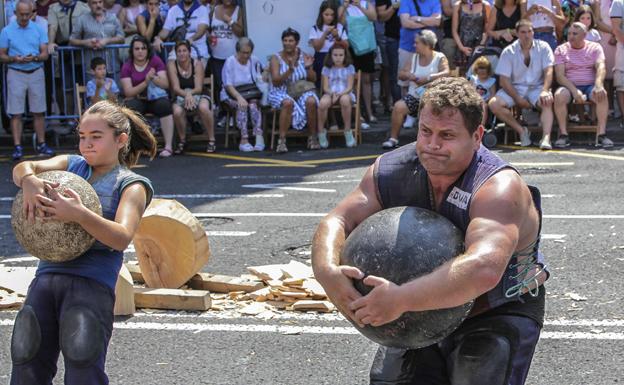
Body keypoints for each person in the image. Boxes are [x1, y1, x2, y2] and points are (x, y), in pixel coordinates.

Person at [311, 76, 547, 385]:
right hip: (418, 308)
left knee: (476, 375)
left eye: (447, 135)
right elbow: (338, 221)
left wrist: (400, 299)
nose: (433, 145)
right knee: (390, 380)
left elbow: (484, 268)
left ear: (477, 137)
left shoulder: (499, 187)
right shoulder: (391, 169)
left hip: (496, 306)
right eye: (426, 131)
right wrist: (326, 271)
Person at [9, 100, 156, 385]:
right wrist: (27, 179)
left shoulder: (131, 184)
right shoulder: (71, 165)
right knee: (26, 359)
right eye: (82, 136)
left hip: (90, 283)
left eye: (96, 137)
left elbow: (121, 236)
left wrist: (78, 214)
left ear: (121, 139)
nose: (86, 144)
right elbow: (24, 166)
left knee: (82, 366)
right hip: (47, 277)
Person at [0, 0, 54, 161]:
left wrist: (35, 57)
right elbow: (1, 55)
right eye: (21, 14)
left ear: (31, 13)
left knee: (39, 111)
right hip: (15, 72)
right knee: (15, 112)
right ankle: (17, 146)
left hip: (36, 71)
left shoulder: (38, 29)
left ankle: (42, 143)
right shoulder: (7, 31)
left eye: (27, 14)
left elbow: (45, 54)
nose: (24, 17)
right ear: (15, 13)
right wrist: (13, 58)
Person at [488, 20, 555, 149]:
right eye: (523, 32)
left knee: (547, 100)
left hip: (537, 86)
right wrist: (517, 99)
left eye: (530, 31)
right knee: (494, 104)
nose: (527, 35)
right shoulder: (508, 51)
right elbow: (504, 81)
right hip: (515, 87)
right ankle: (521, 131)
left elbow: (549, 71)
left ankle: (546, 138)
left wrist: (545, 90)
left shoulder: (544, 47)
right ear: (517, 34)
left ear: (533, 32)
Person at [382, 30, 449, 149]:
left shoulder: (439, 57)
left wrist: (428, 78)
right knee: (398, 107)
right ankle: (393, 138)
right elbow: (401, 74)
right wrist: (409, 75)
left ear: (426, 44)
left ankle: (433, 141)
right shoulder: (413, 57)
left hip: (433, 98)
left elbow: (446, 73)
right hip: (415, 96)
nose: (414, 45)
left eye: (417, 43)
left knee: (433, 109)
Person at [553, 22, 612, 147]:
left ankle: (602, 134)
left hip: (590, 85)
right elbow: (560, 76)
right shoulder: (561, 49)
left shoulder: (595, 47)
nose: (571, 36)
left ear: (584, 35)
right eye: (569, 33)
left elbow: (601, 67)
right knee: (559, 96)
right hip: (569, 86)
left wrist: (598, 85)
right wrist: (574, 91)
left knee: (602, 94)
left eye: (575, 34)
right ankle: (564, 135)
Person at [120, 35, 175, 157]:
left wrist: (153, 78)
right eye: (137, 49)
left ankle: (169, 146)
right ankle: (134, 148)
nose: (140, 51)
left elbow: (165, 84)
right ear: (132, 51)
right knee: (130, 108)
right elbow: (128, 92)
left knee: (165, 105)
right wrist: (145, 82)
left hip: (155, 98)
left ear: (148, 50)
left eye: (143, 48)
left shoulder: (155, 61)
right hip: (138, 98)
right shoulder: (127, 66)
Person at [268, 28, 319, 153]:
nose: (287, 43)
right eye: (285, 40)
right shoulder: (276, 58)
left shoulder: (304, 56)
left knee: (311, 101)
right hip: (280, 90)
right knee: (287, 103)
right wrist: (289, 70)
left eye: (291, 41)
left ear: (297, 42)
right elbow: (275, 81)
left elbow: (313, 79)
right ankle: (282, 141)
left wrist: (308, 68)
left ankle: (312, 137)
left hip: (300, 89)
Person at [397, 0, 441, 129]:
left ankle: (422, 115)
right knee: (405, 82)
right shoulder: (406, 2)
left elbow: (437, 21)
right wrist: (427, 22)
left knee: (427, 81)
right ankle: (408, 114)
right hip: (407, 46)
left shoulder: (434, 2)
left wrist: (417, 19)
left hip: (427, 49)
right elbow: (405, 22)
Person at [167, 40, 216, 153]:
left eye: (184, 50)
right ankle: (183, 140)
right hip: (180, 94)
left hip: (198, 92)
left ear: (189, 52)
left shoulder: (197, 64)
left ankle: (211, 139)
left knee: (203, 107)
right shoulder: (172, 65)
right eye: (179, 51)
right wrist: (187, 95)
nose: (182, 53)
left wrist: (189, 94)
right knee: (177, 112)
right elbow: (175, 88)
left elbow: (199, 88)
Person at [221, 37, 265, 152]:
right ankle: (244, 139)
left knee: (253, 106)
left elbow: (262, 73)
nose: (246, 56)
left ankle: (259, 137)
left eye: (248, 53)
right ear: (237, 51)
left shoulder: (254, 60)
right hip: (232, 93)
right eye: (243, 53)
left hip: (250, 93)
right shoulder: (230, 61)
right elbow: (227, 85)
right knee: (242, 106)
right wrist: (239, 97)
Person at [339, 0, 378, 126]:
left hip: (366, 47)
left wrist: (359, 6)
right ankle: (358, 114)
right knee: (354, 82)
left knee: (366, 80)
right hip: (352, 48)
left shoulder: (366, 4)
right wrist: (345, 6)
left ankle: (369, 112)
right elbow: (340, 22)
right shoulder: (343, 6)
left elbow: (373, 17)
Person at [317, 42, 357, 149]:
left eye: (341, 55)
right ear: (331, 56)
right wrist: (332, 93)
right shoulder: (327, 68)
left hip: (345, 93)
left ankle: (347, 131)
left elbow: (349, 86)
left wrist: (339, 94)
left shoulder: (349, 68)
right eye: (335, 55)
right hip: (331, 92)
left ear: (345, 56)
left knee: (345, 100)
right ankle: (321, 132)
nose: (338, 58)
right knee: (322, 103)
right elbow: (325, 87)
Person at [69, 0, 124, 76]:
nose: (98, 5)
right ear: (88, 4)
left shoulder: (113, 18)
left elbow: (122, 38)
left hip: (113, 67)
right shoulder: (82, 19)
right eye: (94, 3)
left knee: (115, 88)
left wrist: (107, 41)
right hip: (92, 70)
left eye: (100, 2)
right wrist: (86, 42)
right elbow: (72, 40)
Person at [208, 0, 244, 111]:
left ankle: (235, 113)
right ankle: (223, 113)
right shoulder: (213, 9)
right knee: (220, 86)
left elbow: (241, 32)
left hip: (233, 57)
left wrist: (230, 21)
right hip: (217, 56)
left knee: (233, 86)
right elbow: (207, 29)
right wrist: (209, 36)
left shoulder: (239, 10)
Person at [154, 0, 210, 67]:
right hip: (177, 50)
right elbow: (165, 30)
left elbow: (201, 30)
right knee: (170, 66)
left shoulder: (202, 9)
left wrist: (191, 39)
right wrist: (158, 38)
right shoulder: (173, 10)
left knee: (196, 71)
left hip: (198, 50)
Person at [309, 1, 348, 87]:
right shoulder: (315, 29)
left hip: (338, 58)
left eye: (332, 15)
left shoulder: (340, 27)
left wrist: (337, 37)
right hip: (321, 59)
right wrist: (325, 33)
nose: (329, 18)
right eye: (326, 14)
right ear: (321, 14)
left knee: (338, 83)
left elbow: (346, 46)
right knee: (322, 84)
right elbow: (317, 48)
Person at [376, 0, 402, 105]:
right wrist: (394, 7)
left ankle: (415, 110)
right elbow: (382, 17)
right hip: (393, 38)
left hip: (414, 38)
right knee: (394, 74)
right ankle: (397, 106)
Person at [452, 0, 491, 68]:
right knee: (462, 75)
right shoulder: (458, 6)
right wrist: (461, 47)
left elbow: (487, 29)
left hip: (479, 45)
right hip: (462, 45)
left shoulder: (485, 5)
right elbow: (454, 30)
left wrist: (481, 45)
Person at [469, 56, 497, 126]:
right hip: (474, 99)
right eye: (480, 68)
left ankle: (482, 125)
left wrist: (488, 101)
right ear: (476, 69)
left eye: (484, 68)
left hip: (485, 101)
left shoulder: (491, 81)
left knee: (484, 106)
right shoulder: (474, 79)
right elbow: (469, 90)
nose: (482, 70)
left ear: (488, 70)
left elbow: (492, 95)